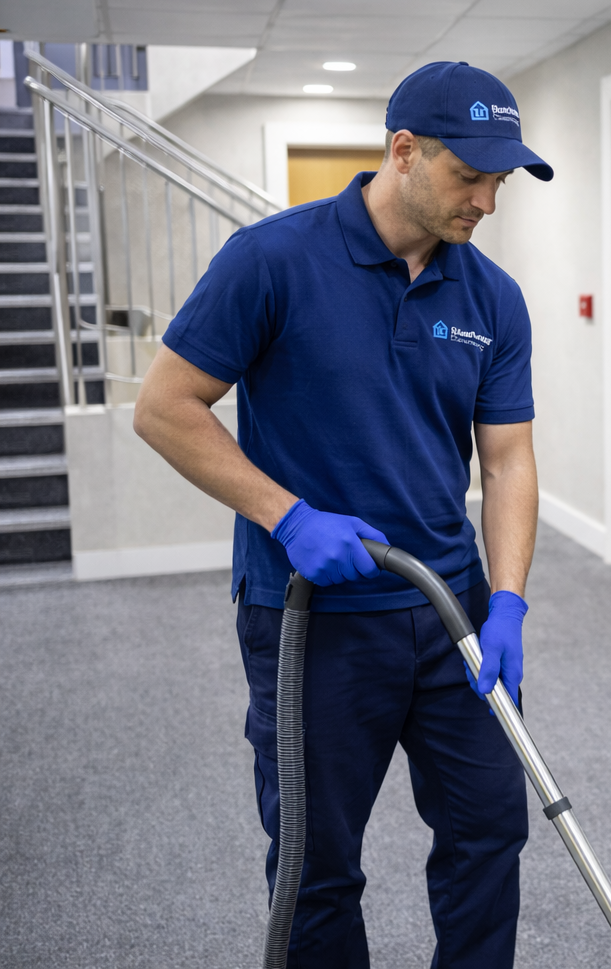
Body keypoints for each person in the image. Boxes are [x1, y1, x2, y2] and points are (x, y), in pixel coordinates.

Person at [134, 61, 551, 967]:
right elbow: (164, 406)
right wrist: (288, 517)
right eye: (468, 175)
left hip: (454, 619)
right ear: (403, 151)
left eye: (500, 180)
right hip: (309, 619)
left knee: (489, 840)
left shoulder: (493, 298)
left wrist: (508, 600)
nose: (488, 200)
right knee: (319, 868)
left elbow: (508, 457)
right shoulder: (273, 259)